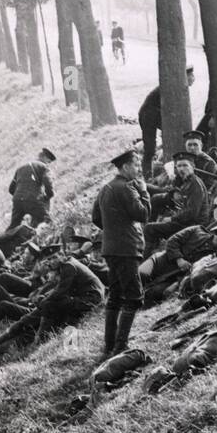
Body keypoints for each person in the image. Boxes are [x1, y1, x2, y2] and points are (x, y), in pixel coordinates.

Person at [91, 149, 152, 358]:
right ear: (125, 167)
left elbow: (96, 218)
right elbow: (143, 214)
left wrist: (113, 228)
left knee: (115, 295)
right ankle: (120, 346)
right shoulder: (127, 188)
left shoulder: (106, 187)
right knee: (134, 297)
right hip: (127, 249)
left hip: (110, 249)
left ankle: (109, 345)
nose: (138, 169)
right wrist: (144, 192)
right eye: (136, 165)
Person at [138, 65, 195, 179]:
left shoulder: (180, 88)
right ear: (185, 77)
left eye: (193, 76)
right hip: (148, 116)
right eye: (191, 77)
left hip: (156, 115)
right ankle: (147, 175)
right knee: (150, 147)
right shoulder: (172, 88)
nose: (193, 79)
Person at [145, 150, 209, 245]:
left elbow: (192, 213)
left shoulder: (195, 184)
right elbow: (172, 193)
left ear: (193, 167)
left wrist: (172, 219)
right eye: (179, 166)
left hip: (194, 226)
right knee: (156, 200)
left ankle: (147, 256)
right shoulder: (183, 180)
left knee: (149, 229)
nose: (181, 169)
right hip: (184, 222)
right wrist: (173, 193)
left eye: (185, 165)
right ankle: (154, 247)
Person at [8, 148, 56, 227]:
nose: (48, 164)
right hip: (33, 200)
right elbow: (48, 186)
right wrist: (47, 196)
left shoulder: (20, 168)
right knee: (48, 222)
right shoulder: (43, 167)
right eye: (49, 161)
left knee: (14, 226)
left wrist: (21, 195)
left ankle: (3, 239)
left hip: (17, 201)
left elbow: (11, 189)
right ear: (44, 157)